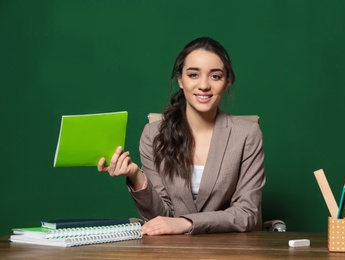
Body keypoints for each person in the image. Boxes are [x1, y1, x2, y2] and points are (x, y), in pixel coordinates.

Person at [98, 37, 265, 235]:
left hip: (228, 248)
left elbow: (247, 212)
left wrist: (187, 223)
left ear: (227, 82)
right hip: (172, 250)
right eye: (193, 75)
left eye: (216, 76)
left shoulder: (247, 135)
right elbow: (159, 216)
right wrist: (135, 176)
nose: (204, 85)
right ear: (180, 80)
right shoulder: (153, 134)